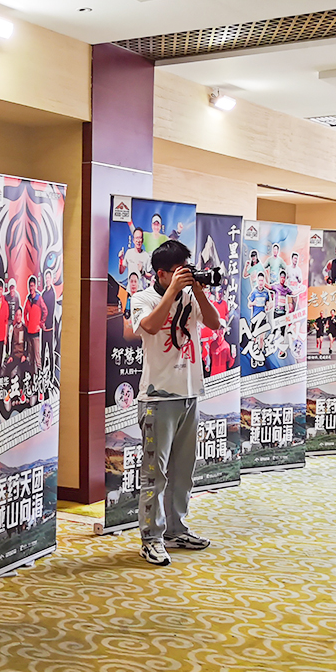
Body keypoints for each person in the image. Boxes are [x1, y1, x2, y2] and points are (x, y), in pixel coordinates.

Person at [128, 239, 222, 566]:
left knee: (183, 472)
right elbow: (150, 326)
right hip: (157, 399)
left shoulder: (190, 296)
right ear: (162, 274)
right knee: (155, 475)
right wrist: (171, 293)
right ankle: (151, 539)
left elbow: (214, 323)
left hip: (190, 394)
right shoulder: (142, 298)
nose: (185, 275)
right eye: (179, 271)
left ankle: (176, 529)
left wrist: (198, 291)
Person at [21, 276, 47, 395]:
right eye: (29, 286)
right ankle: (32, 380)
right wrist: (27, 324)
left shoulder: (39, 298)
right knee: (30, 358)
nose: (31, 288)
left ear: (35, 286)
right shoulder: (28, 300)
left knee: (37, 358)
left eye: (32, 286)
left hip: (36, 333)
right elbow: (24, 312)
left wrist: (40, 323)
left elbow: (45, 311)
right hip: (29, 333)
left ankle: (40, 382)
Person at [40, 269, 57, 378]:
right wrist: (42, 323)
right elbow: (42, 310)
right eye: (46, 278)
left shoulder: (52, 293)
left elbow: (51, 310)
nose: (47, 280)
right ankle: (42, 371)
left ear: (51, 279)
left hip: (49, 327)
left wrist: (48, 324)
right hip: (43, 326)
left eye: (48, 278)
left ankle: (51, 372)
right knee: (42, 349)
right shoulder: (43, 293)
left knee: (50, 350)